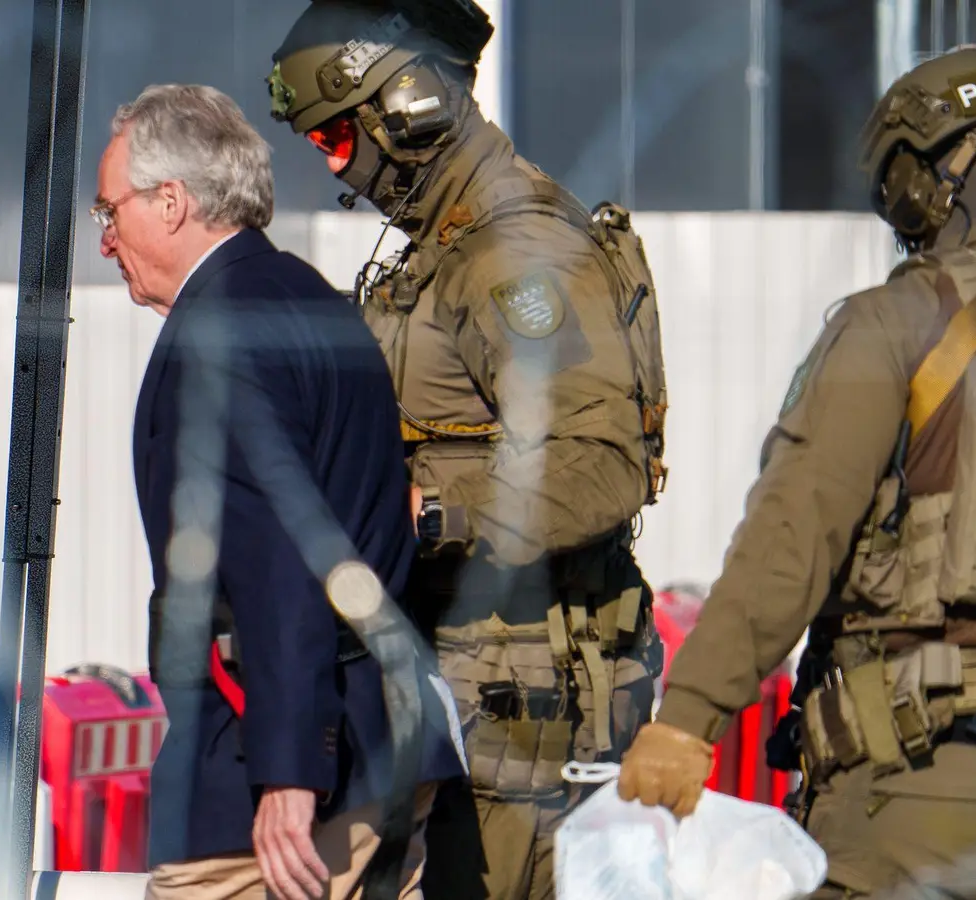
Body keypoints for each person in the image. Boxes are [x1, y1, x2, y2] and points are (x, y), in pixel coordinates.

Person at [615, 45, 976, 898]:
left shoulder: (892, 326)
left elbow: (789, 543)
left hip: (907, 805)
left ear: (916, 186)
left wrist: (688, 719)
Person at [267, 3, 668, 897]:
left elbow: (603, 466)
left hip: (519, 715)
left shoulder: (513, 253)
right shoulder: (446, 246)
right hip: (478, 689)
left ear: (409, 106)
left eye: (336, 134)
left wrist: (427, 513)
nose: (334, 164)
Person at [101, 82, 466, 900]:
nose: (105, 240)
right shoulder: (306, 297)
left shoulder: (220, 339)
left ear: (171, 202)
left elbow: (277, 567)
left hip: (280, 783)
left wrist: (288, 771)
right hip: (385, 739)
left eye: (109, 211)